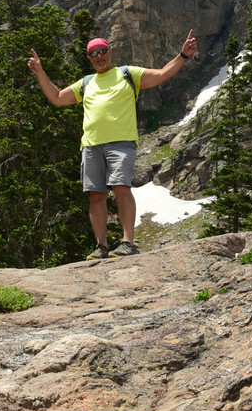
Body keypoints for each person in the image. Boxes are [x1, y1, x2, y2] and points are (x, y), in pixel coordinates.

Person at [28, 29, 198, 260]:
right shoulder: (86, 83)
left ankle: (128, 242)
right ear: (89, 58)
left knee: (120, 187)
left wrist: (183, 55)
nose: (99, 56)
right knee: (96, 194)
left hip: (121, 142)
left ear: (110, 51)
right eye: (93, 53)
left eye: (103, 51)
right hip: (91, 146)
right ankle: (101, 246)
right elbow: (57, 98)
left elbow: (160, 75)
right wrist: (39, 72)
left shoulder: (128, 74)